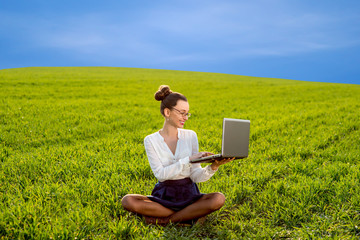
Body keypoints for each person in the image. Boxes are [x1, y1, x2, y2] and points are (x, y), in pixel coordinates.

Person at [121, 85, 233, 225]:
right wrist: (188, 160)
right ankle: (189, 216)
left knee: (218, 198)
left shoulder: (191, 136)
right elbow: (160, 175)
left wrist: (213, 167)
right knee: (127, 200)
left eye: (187, 114)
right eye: (182, 113)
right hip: (164, 197)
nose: (185, 118)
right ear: (167, 112)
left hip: (190, 195)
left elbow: (195, 175)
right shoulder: (151, 140)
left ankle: (165, 220)